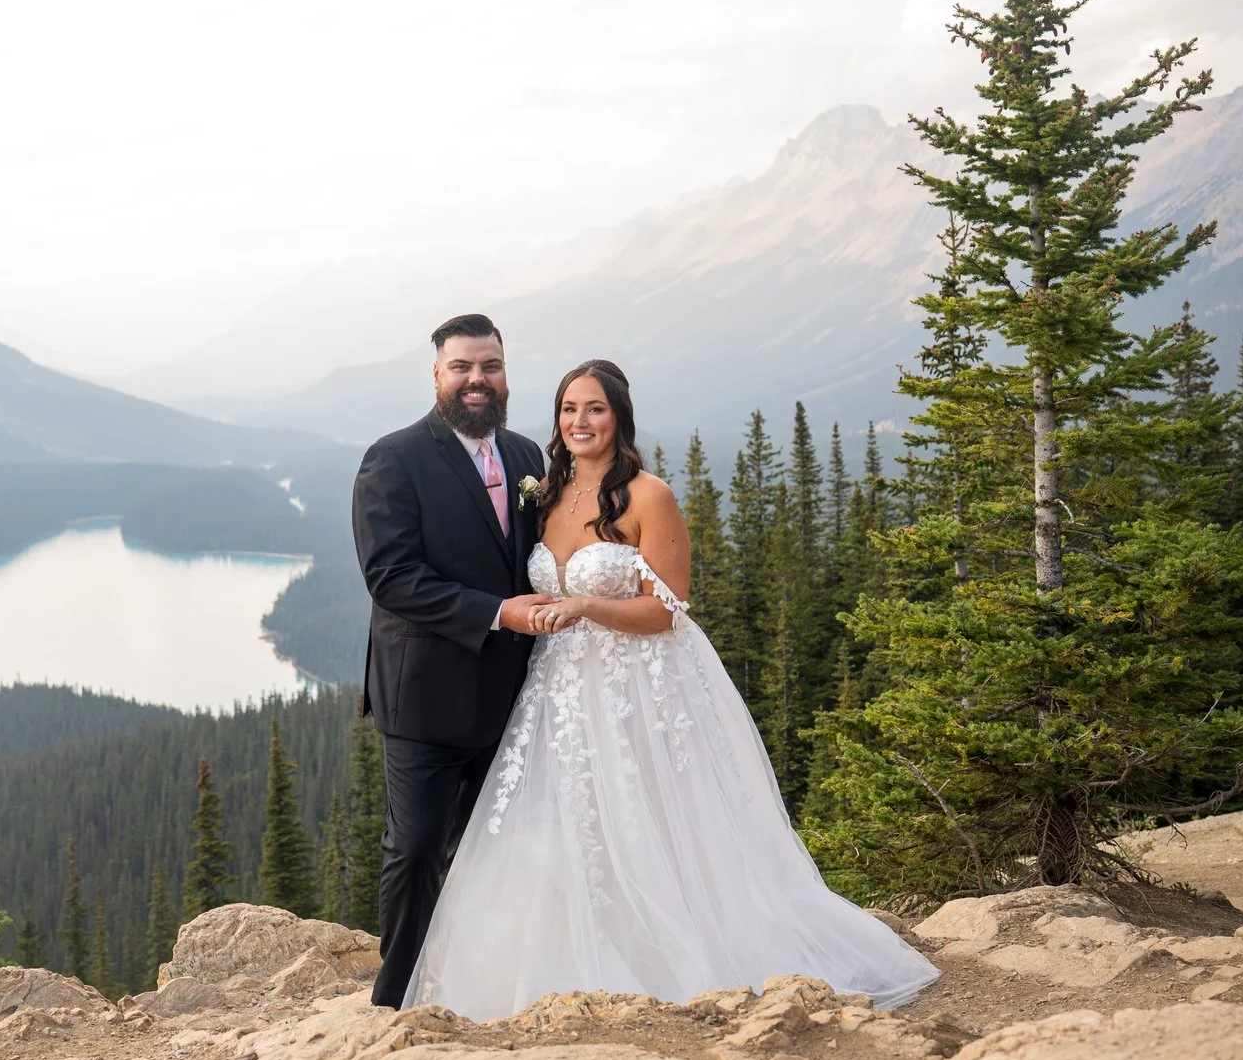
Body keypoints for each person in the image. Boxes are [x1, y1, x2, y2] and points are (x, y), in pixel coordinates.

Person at [402, 358, 939, 1019]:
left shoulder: (648, 496)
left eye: (594, 408)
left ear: (620, 417)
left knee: (648, 819)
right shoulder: (546, 495)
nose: (580, 421)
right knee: (565, 819)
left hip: (639, 685)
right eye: (569, 409)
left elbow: (668, 608)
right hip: (560, 689)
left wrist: (589, 608)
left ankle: (683, 956)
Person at [349, 314, 555, 1009]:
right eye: (462, 366)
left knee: (503, 847)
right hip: (426, 699)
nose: (477, 379)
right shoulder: (394, 457)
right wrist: (500, 612)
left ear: (505, 373)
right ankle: (395, 996)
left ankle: (485, 986)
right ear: (437, 375)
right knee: (417, 847)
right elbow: (391, 576)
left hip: (511, 695)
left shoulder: (529, 457)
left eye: (489, 366)